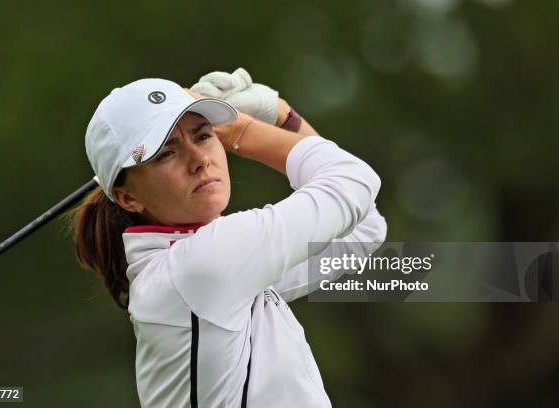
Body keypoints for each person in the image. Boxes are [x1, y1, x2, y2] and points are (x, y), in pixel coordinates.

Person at [68, 68, 387, 407]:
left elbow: (364, 227)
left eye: (203, 136)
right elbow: (354, 181)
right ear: (128, 197)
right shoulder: (201, 265)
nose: (200, 160)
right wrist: (248, 127)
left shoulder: (197, 262)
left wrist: (284, 119)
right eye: (166, 154)